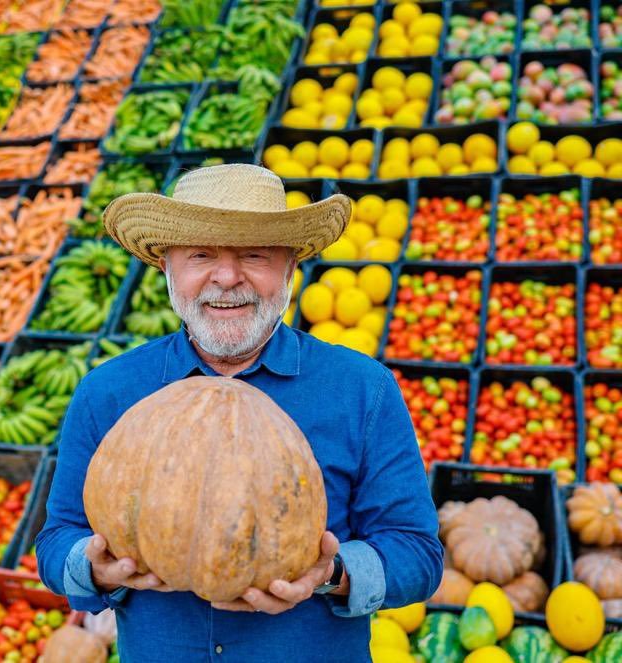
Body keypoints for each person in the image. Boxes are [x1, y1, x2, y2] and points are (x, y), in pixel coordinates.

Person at [35, 163, 443, 662]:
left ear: (291, 266)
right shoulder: (108, 392)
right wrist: (93, 569)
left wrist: (331, 575)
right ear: (167, 266)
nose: (227, 278)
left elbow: (418, 555)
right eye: (201, 254)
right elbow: (57, 542)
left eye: (255, 255)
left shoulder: (363, 389)